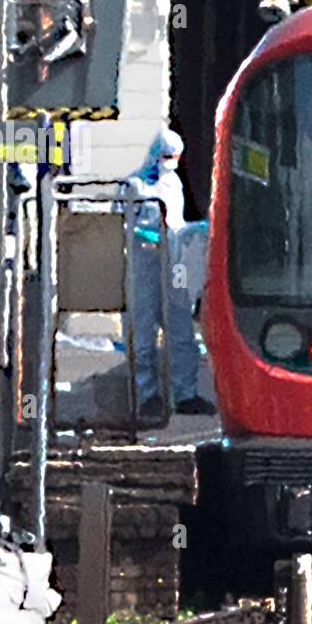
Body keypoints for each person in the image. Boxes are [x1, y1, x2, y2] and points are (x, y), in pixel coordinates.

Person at [129, 129, 216, 418]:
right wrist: (151, 236)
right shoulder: (134, 186)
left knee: (181, 331)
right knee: (143, 333)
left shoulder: (173, 184)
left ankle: (185, 393)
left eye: (175, 158)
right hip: (144, 267)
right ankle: (147, 395)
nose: (171, 163)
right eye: (167, 157)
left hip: (175, 264)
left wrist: (190, 234)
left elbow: (176, 222)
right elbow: (125, 226)